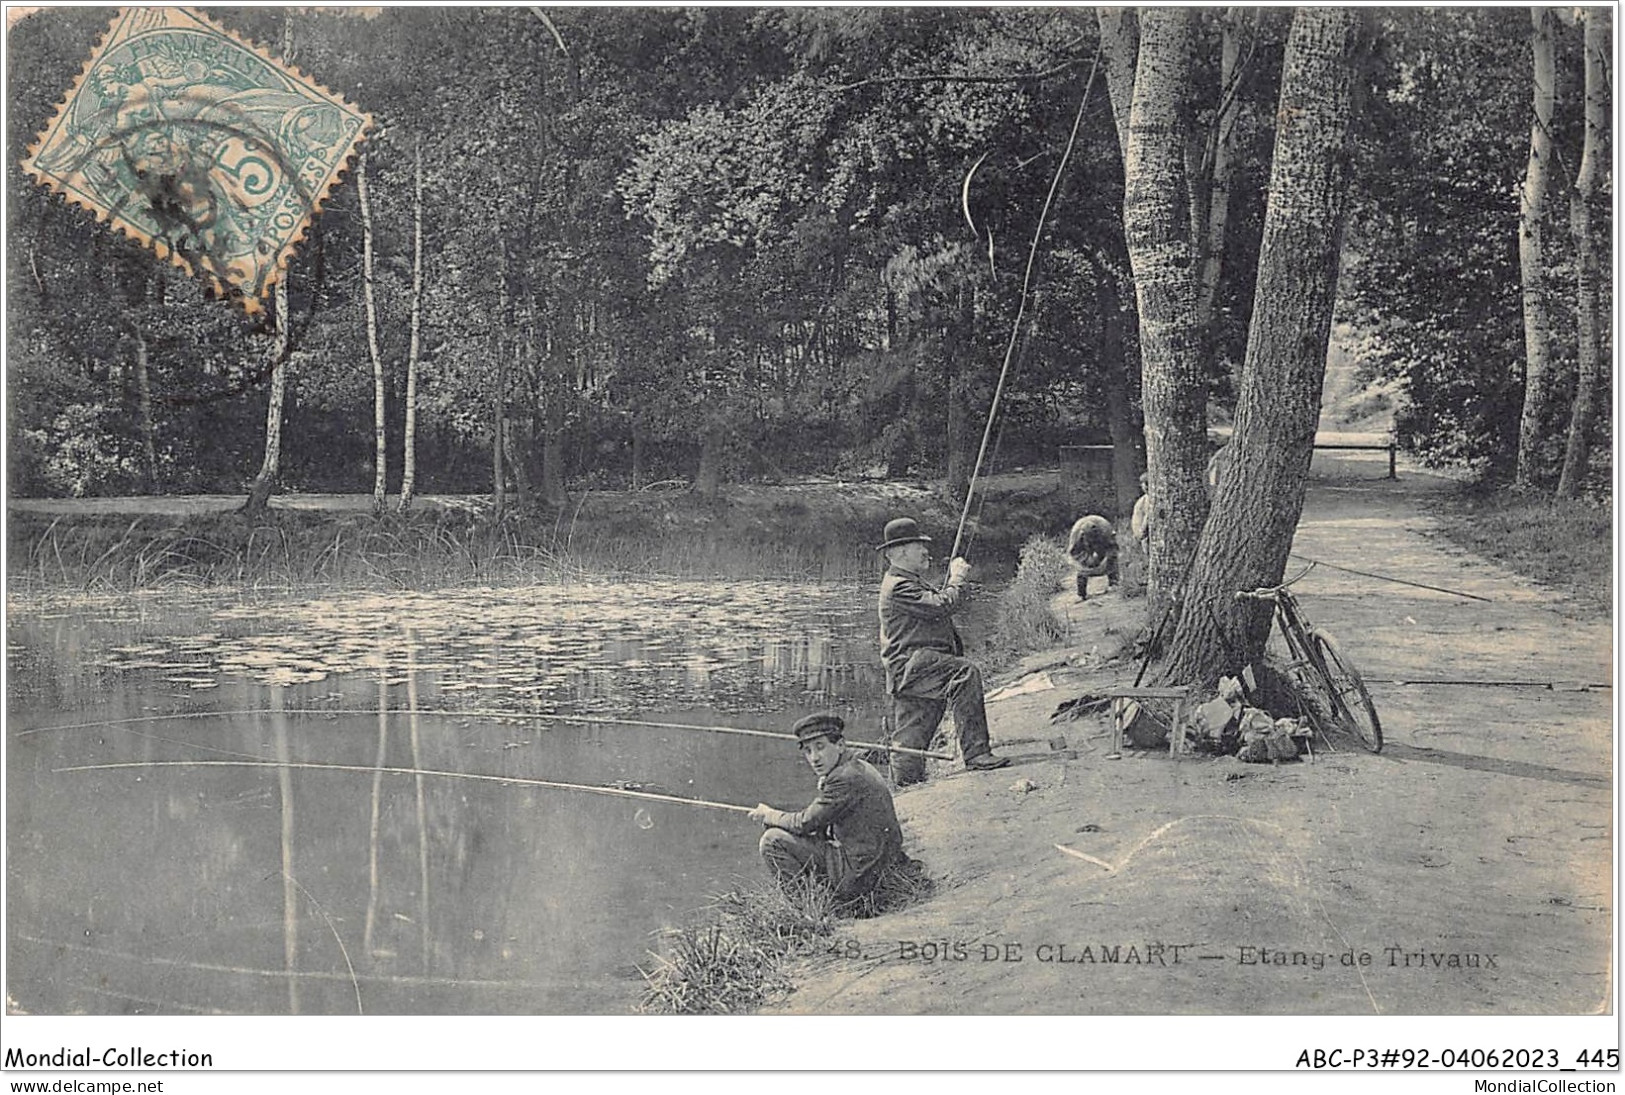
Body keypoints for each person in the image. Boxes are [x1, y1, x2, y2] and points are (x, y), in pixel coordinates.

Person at [875, 517, 1010, 786]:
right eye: (919, 546)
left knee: (911, 739)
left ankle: (904, 789)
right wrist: (957, 578)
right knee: (965, 673)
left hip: (914, 668)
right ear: (901, 551)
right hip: (914, 666)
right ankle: (977, 754)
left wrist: (951, 584)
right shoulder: (899, 585)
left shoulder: (906, 580)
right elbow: (939, 606)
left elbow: (936, 604)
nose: (927, 551)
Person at [749, 713, 903, 901]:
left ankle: (806, 907)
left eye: (820, 747)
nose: (814, 758)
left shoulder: (843, 778)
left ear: (840, 745)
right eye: (808, 751)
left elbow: (804, 822)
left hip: (863, 876)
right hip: (880, 863)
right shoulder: (854, 766)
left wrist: (769, 814)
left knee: (772, 840)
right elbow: (819, 819)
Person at [1067, 514, 1119, 601]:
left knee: (1112, 561)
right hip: (1084, 550)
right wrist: (1087, 561)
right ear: (1083, 535)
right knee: (1081, 570)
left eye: (1094, 538)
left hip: (1102, 544)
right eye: (1090, 539)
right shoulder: (1076, 534)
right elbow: (1073, 553)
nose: (1092, 542)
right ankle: (1081, 593)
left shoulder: (1106, 529)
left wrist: (1105, 560)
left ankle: (1114, 583)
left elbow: (1114, 549)